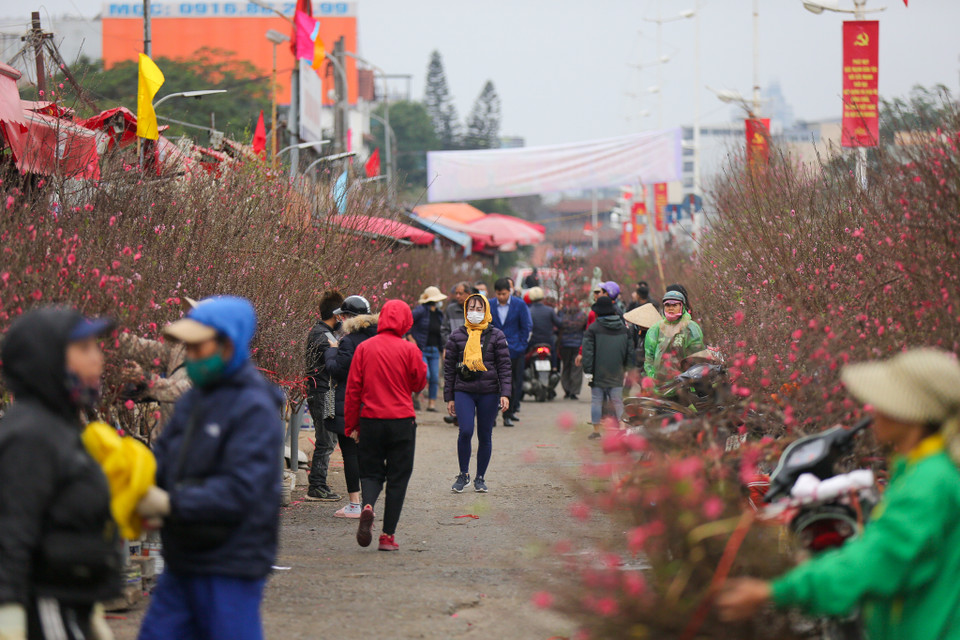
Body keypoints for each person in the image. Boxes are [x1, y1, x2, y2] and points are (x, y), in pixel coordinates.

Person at [716, 348, 960, 640]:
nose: (873, 410)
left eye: (884, 402)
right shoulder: (920, 469)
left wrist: (775, 592)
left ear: (909, 414)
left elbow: (875, 562)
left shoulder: (928, 482)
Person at [137, 296, 285, 640]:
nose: (190, 356)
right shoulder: (194, 401)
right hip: (184, 557)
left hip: (230, 562)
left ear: (228, 344)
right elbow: (166, 462)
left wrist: (172, 503)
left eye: (198, 346)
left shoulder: (254, 408)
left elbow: (242, 490)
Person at [0, 308, 122, 640]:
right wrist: (8, 618)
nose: (98, 359)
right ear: (48, 360)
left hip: (68, 604)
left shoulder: (58, 426)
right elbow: (13, 531)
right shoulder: (31, 435)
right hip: (43, 607)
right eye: (84, 349)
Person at [345, 300, 427, 552]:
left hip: (371, 420)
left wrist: (352, 426)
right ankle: (387, 536)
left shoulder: (364, 348)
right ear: (405, 322)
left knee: (370, 473)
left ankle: (367, 504)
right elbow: (419, 383)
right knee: (398, 478)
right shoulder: (409, 349)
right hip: (402, 421)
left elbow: (353, 390)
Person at [443, 293, 512, 493]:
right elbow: (448, 369)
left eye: (479, 308)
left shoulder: (497, 335)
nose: (474, 312)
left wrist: (505, 393)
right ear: (466, 311)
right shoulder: (456, 335)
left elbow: (504, 367)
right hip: (463, 390)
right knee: (465, 431)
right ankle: (463, 474)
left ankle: (480, 477)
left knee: (485, 435)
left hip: (489, 392)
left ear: (486, 311)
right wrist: (449, 397)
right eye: (471, 308)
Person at [323, 295, 377, 517]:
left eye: (343, 315)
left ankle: (355, 504)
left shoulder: (348, 341)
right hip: (374, 402)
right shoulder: (378, 337)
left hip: (351, 401)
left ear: (349, 317)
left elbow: (337, 369)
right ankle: (369, 503)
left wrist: (332, 350)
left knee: (350, 454)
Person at [304, 290, 348, 505]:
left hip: (327, 391)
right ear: (336, 314)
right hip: (321, 392)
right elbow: (337, 357)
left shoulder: (327, 332)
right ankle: (317, 486)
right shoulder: (320, 335)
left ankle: (318, 483)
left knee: (328, 440)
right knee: (326, 440)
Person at [581, 296, 631, 440]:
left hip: (598, 373)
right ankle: (622, 428)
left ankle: (596, 431)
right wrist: (628, 368)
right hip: (618, 372)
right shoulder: (623, 329)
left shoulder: (593, 328)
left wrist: (588, 371)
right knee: (617, 401)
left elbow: (588, 352)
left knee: (597, 400)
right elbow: (630, 351)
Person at [489, 277, 533, 427]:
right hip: (494, 351)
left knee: (512, 383)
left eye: (504, 294)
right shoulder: (489, 305)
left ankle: (508, 414)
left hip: (515, 351)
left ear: (510, 291)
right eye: (498, 294)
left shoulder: (519, 305)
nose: (501, 297)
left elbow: (526, 326)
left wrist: (521, 346)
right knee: (493, 383)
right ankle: (492, 415)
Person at [643, 290, 704, 383]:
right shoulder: (656, 329)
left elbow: (697, 356)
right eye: (667, 305)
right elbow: (649, 357)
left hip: (684, 384)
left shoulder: (691, 328)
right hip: (659, 383)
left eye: (675, 305)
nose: (671, 308)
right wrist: (652, 376)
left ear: (682, 306)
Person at [410, 286, 447, 413]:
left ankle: (431, 404)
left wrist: (443, 349)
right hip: (422, 348)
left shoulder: (439, 314)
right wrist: (410, 338)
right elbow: (408, 321)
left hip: (435, 349)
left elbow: (441, 332)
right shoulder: (420, 311)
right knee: (425, 375)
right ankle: (415, 397)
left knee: (435, 378)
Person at [558, 298, 587, 400]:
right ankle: (574, 392)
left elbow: (558, 326)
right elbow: (585, 330)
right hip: (577, 344)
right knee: (576, 368)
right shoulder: (582, 316)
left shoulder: (562, 315)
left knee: (565, 367)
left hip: (564, 344)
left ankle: (567, 389)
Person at [527, 286, 562, 362]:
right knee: (554, 351)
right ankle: (554, 368)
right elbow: (559, 323)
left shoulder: (528, 311)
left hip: (533, 340)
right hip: (548, 340)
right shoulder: (550, 310)